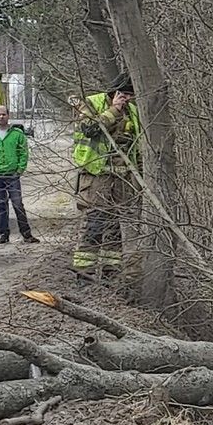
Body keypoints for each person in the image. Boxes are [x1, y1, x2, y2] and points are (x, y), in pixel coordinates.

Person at [71, 74, 140, 281]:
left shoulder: (133, 112)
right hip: (95, 176)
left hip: (121, 181)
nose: (126, 99)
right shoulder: (92, 104)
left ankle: (111, 273)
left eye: (130, 95)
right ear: (113, 93)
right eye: (123, 94)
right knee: (94, 223)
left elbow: (137, 147)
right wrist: (113, 111)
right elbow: (89, 129)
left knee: (114, 228)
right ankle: (84, 273)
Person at [0, 101, 38, 244]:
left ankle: (27, 234)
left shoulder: (17, 134)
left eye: (4, 114)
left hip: (12, 175)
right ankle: (4, 234)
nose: (1, 117)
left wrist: (19, 170)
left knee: (17, 204)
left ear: (8, 116)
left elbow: (23, 153)